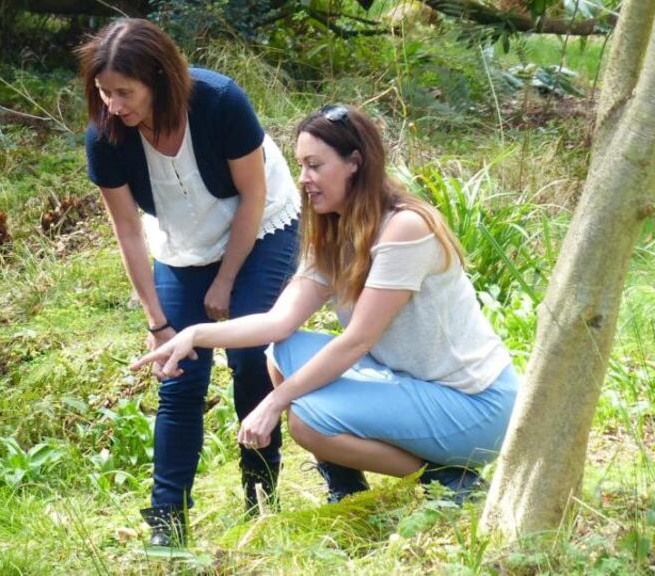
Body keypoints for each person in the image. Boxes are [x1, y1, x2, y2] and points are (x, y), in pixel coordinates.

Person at [133, 104, 519, 510]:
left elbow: (356, 342)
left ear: (354, 163)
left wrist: (273, 404)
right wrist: (196, 334)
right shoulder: (337, 232)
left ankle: (448, 479)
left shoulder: (404, 227)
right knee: (283, 352)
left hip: (475, 404)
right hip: (414, 385)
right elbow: (277, 322)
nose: (304, 180)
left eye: (315, 165)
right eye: (301, 166)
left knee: (308, 423)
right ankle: (350, 486)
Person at [77, 18, 301, 545]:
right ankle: (167, 519)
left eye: (124, 92)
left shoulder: (220, 101)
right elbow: (128, 231)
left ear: (158, 78)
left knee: (249, 354)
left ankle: (260, 486)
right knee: (177, 371)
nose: (113, 104)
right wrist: (158, 322)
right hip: (182, 245)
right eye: (104, 92)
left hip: (260, 225)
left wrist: (225, 282)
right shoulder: (106, 135)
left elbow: (253, 195)